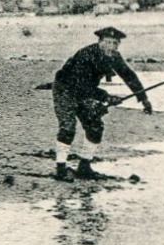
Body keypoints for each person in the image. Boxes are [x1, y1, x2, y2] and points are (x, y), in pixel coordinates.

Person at [52, 27, 152, 181]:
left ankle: (84, 166)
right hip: (65, 90)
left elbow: (129, 76)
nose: (111, 47)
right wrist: (107, 97)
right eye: (108, 42)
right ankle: (60, 169)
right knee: (68, 127)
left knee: (95, 126)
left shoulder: (114, 57)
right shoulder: (85, 55)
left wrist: (144, 99)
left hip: (86, 92)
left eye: (115, 43)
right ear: (100, 42)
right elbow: (81, 85)